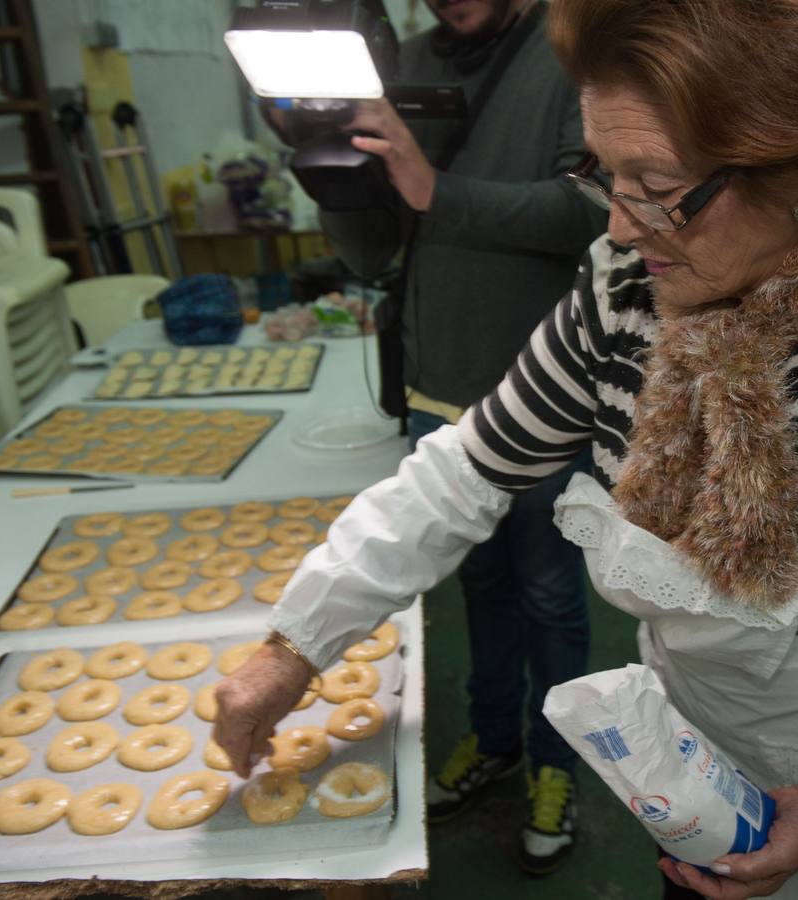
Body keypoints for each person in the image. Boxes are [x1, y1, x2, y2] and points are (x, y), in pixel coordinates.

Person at [215, 1, 798, 897]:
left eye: (657, 187)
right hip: (689, 769)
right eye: (604, 175)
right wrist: (298, 642)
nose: (621, 227)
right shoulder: (627, 287)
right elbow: (467, 469)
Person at [271, 0, 604, 874]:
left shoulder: (574, 48)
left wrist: (435, 188)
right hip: (434, 386)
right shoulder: (395, 57)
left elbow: (595, 214)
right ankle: (495, 741)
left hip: (544, 397)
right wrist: (333, 177)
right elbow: (375, 252)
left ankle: (556, 766)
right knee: (478, 589)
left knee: (549, 596)